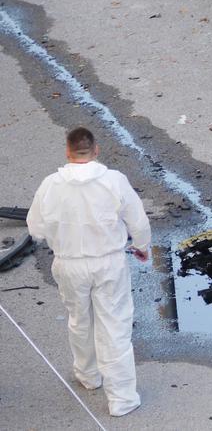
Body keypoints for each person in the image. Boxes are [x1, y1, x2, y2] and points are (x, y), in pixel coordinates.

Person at [26, 127, 151, 417]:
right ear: (96, 150)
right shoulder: (114, 181)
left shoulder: (50, 185)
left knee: (79, 319)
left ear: (68, 153)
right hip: (108, 262)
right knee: (114, 326)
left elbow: (35, 228)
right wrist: (142, 246)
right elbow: (139, 222)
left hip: (68, 263)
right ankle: (121, 398)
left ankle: (88, 374)